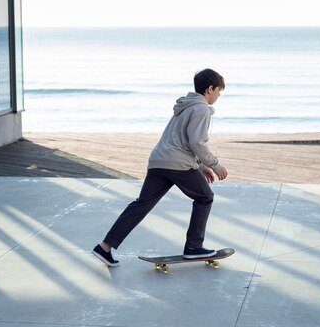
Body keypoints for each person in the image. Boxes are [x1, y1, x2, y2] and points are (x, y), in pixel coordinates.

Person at [92, 68, 228, 267]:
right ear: (210, 88)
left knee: (142, 204)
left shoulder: (184, 106)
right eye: (218, 91)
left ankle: (104, 247)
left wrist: (199, 167)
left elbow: (180, 140)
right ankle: (193, 247)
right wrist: (215, 164)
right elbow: (197, 143)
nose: (218, 96)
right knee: (205, 197)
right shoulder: (201, 109)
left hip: (159, 161)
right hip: (177, 164)